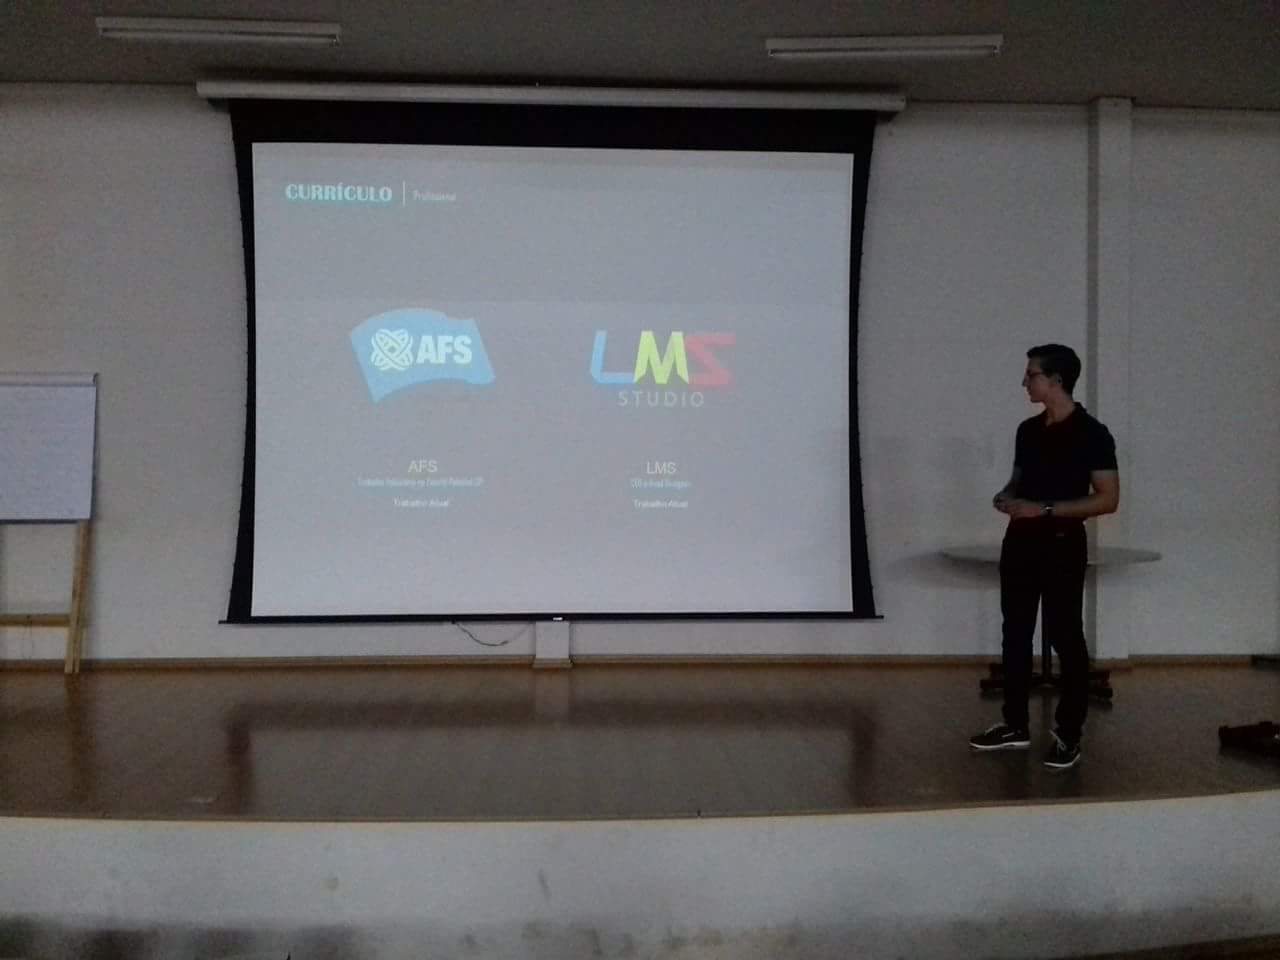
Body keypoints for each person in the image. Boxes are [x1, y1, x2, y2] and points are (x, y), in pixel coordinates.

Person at [969, 344, 1119, 770]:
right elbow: (1018, 481)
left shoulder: (1093, 434)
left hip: (1062, 543)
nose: (1025, 382)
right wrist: (1007, 496)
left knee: (1066, 636)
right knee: (1015, 633)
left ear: (1056, 380)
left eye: (1031, 375)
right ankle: (1014, 725)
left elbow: (1108, 499)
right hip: (1020, 542)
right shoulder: (1027, 431)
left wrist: (1045, 509)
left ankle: (1068, 733)